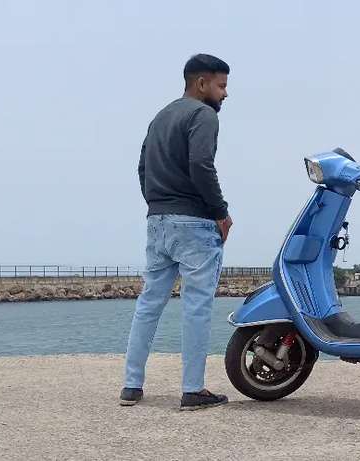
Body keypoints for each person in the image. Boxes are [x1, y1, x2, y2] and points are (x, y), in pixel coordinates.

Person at [120, 53, 233, 410]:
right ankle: (192, 389)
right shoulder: (203, 115)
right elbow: (201, 164)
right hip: (194, 224)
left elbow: (142, 168)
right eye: (221, 86)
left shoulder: (160, 117)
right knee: (196, 306)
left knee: (149, 303)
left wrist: (158, 204)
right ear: (201, 83)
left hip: (158, 222)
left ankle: (131, 385)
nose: (225, 94)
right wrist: (220, 213)